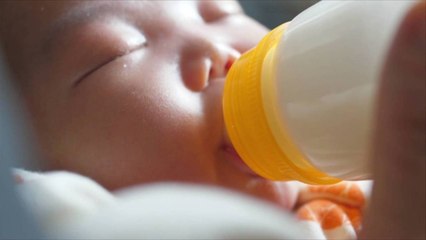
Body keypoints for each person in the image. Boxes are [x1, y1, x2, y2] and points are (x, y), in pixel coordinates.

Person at [0, 1, 424, 239]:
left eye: (219, 12)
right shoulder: (62, 212)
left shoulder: (357, 157)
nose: (219, 52)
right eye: (121, 51)